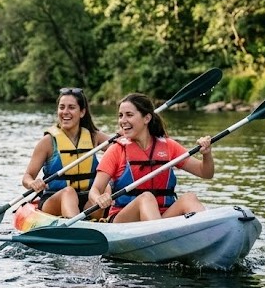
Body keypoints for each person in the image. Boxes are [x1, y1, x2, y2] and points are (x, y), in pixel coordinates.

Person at [90, 93, 213, 223]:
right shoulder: (116, 150)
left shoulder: (168, 146)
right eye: (120, 115)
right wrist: (99, 198)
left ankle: (209, 233)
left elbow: (205, 173)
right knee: (147, 198)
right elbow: (95, 190)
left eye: (129, 115)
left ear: (147, 118)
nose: (123, 120)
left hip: (162, 217)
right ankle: (161, 237)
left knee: (189, 198)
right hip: (124, 220)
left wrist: (207, 154)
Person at [22, 87, 112, 218]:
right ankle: (75, 229)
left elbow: (122, 147)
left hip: (87, 200)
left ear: (82, 112)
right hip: (54, 200)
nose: (65, 112)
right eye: (62, 107)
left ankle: (95, 224)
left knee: (105, 188)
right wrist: (32, 183)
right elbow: (27, 176)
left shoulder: (94, 136)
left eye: (71, 107)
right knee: (68, 192)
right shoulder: (47, 142)